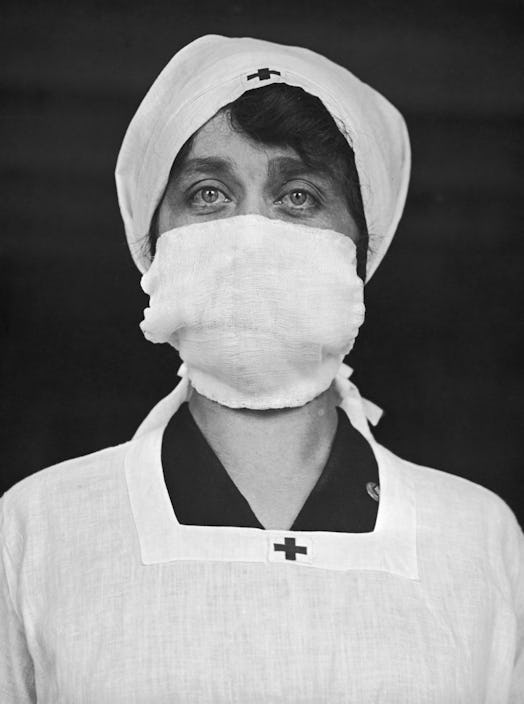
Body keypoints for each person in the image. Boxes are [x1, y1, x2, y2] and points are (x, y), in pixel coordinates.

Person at [1, 34, 522, 703]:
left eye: (299, 196)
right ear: (155, 246)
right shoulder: (39, 528)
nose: (251, 233)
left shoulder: (477, 539)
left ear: (358, 255)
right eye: (210, 194)